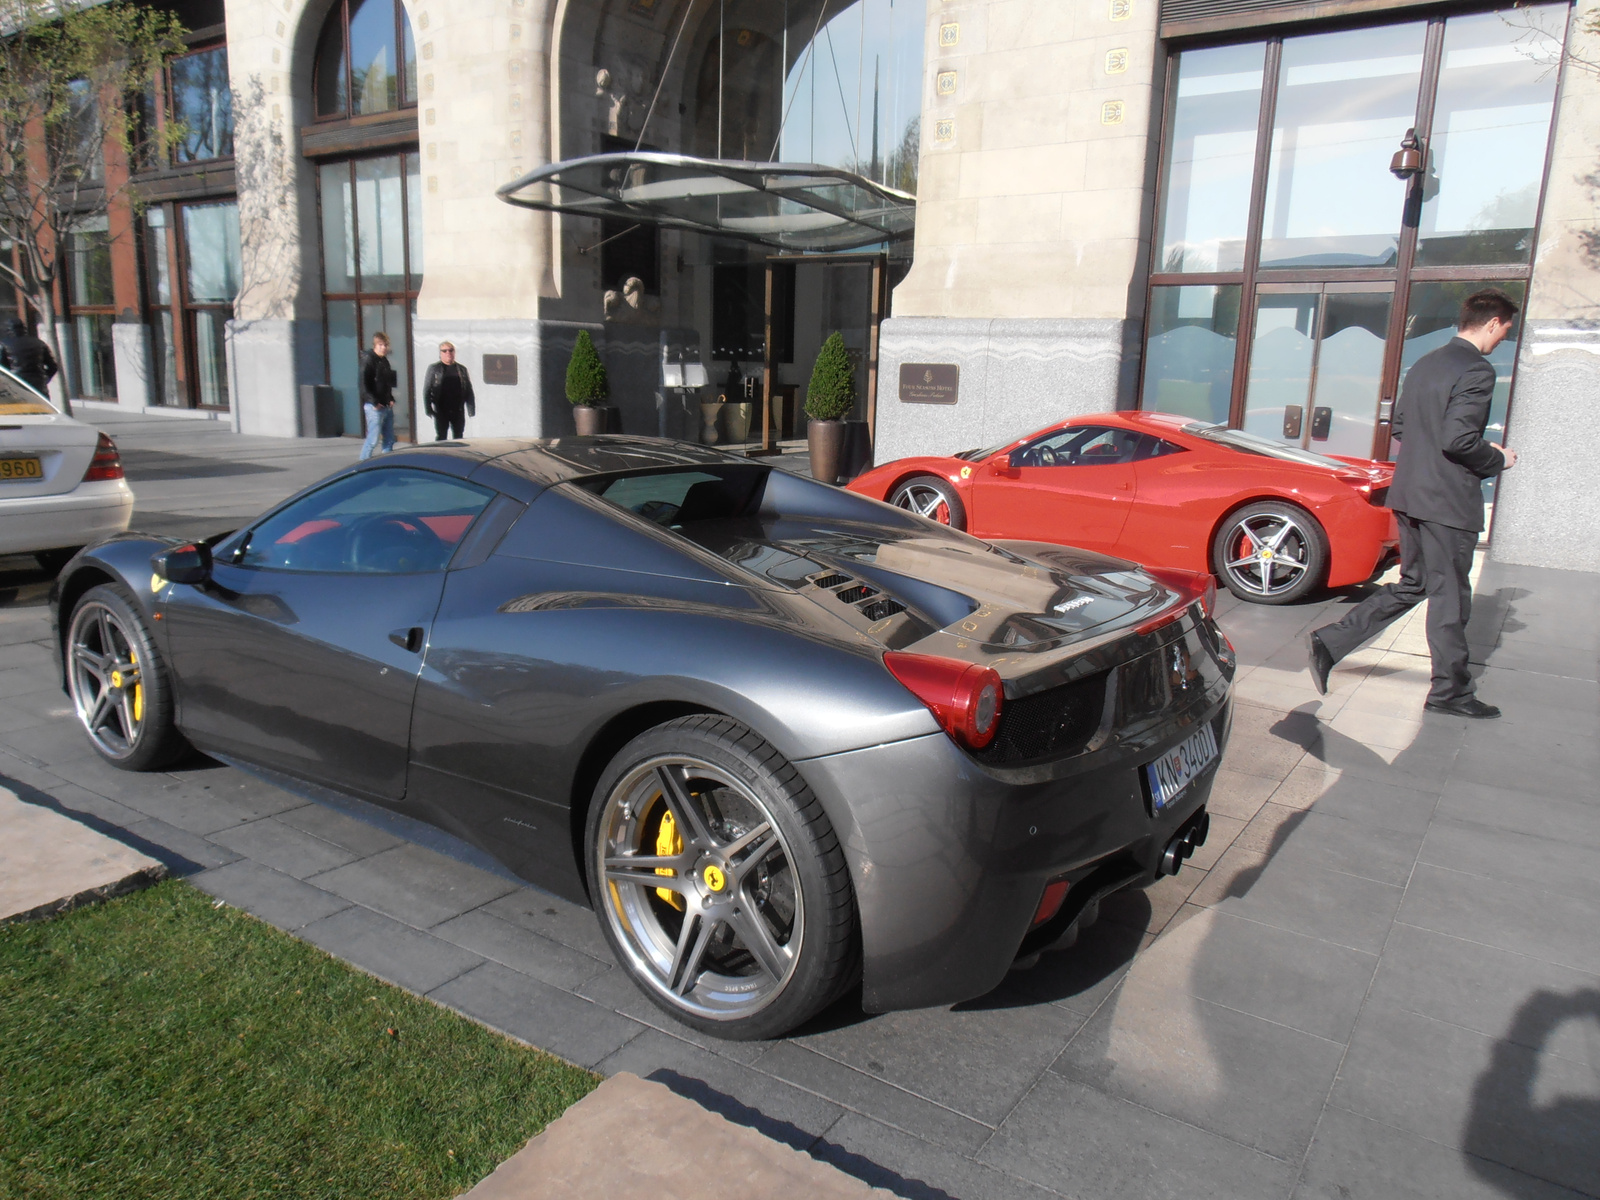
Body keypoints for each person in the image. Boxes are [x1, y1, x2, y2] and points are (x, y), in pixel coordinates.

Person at [1307, 288, 1520, 719]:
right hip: (1446, 502)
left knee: (1415, 584)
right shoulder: (1477, 370)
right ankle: (1451, 693)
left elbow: (1401, 424)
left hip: (1410, 494)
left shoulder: (1427, 363)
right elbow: (1458, 439)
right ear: (1494, 323)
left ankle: (1332, 641)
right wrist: (1496, 457)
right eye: (1504, 332)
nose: (1501, 341)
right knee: (1450, 599)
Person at [422, 341, 474, 440]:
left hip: (458, 409)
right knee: (441, 436)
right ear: (440, 353)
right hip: (441, 409)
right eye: (444, 351)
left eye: (451, 350)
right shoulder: (434, 368)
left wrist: (471, 408)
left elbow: (468, 390)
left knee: (458, 436)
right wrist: (428, 408)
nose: (448, 353)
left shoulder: (461, 369)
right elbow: (427, 389)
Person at [359, 331, 398, 460]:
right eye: (380, 345)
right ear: (375, 345)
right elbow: (364, 384)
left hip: (386, 405)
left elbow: (387, 384)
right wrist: (374, 402)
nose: (384, 348)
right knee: (372, 440)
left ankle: (387, 464)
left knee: (389, 439)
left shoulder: (384, 361)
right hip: (374, 407)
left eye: (385, 345)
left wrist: (390, 398)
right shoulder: (368, 359)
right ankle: (362, 465)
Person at [0, 318, 59, 397]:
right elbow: (53, 366)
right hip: (38, 385)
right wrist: (44, 379)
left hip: (16, 385)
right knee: (40, 408)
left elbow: (2, 368)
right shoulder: (39, 343)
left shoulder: (4, 344)